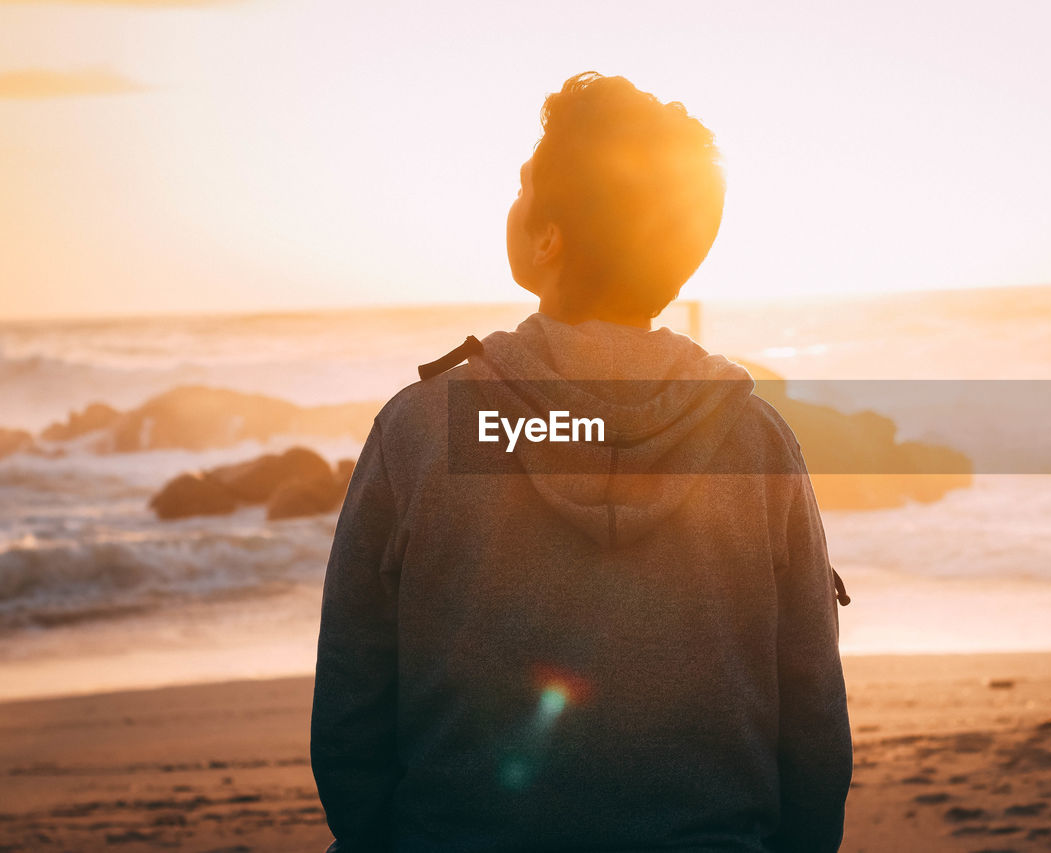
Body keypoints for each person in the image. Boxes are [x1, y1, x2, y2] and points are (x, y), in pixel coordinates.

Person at [311, 71, 852, 853]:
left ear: (548, 237)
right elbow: (813, 727)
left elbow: (351, 711)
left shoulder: (428, 430)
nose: (515, 200)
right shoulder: (756, 445)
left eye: (525, 185)